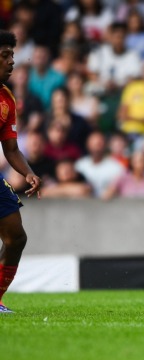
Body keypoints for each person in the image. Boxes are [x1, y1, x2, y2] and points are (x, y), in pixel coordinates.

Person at [0, 30, 42, 313]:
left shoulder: (7, 99)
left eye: (12, 55)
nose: (12, 61)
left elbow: (11, 149)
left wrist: (28, 172)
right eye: (4, 56)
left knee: (16, 237)